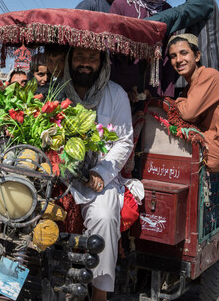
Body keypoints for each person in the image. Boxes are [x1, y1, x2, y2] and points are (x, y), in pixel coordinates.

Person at [61, 47, 133, 300]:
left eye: (92, 58)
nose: (85, 64)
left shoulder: (116, 94)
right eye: (80, 57)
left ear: (102, 62)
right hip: (59, 175)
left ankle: (100, 294)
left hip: (98, 178)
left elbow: (124, 142)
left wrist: (101, 172)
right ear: (70, 60)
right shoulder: (56, 91)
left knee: (104, 216)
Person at [167, 34, 219, 172]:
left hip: (216, 149)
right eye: (173, 56)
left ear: (197, 56)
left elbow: (188, 113)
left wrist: (178, 101)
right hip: (207, 143)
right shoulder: (189, 88)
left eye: (184, 53)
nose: (179, 60)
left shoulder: (210, 75)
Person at [109, 0, 174, 97]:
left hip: (154, 94)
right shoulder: (121, 6)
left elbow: (168, 60)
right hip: (122, 92)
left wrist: (166, 97)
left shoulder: (168, 11)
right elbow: (111, 55)